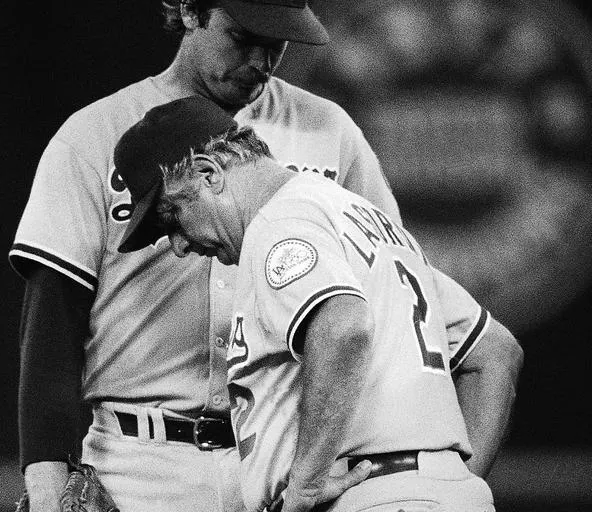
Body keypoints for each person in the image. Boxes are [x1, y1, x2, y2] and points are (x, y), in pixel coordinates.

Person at [9, 0, 513, 512]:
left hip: (293, 453)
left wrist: (437, 482)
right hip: (146, 458)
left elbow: (398, 303)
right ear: (192, 10)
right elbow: (52, 323)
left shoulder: (330, 131)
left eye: (278, 40)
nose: (261, 59)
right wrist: (46, 483)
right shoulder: (93, 137)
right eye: (243, 36)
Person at [113, 96, 524, 512]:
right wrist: (448, 483)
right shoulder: (364, 219)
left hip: (371, 497)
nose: (179, 246)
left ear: (209, 173)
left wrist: (306, 486)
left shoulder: (280, 222)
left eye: (172, 216)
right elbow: (495, 349)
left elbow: (343, 324)